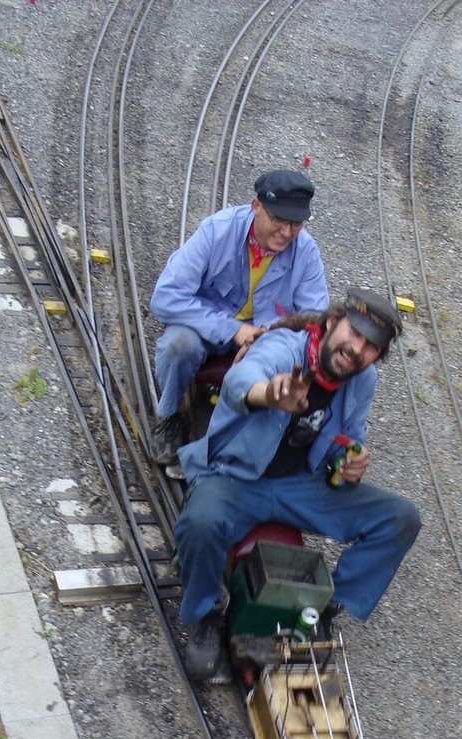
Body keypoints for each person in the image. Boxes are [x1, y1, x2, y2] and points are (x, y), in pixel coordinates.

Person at [174, 288, 422, 679]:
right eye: (353, 334)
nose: (356, 349)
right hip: (238, 478)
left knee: (401, 518)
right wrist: (269, 393)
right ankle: (205, 613)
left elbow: (348, 435)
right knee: (200, 522)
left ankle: (324, 607)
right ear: (329, 324)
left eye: (370, 346)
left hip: (300, 485)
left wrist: (348, 460)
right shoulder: (285, 350)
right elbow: (241, 381)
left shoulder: (361, 379)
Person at [148, 169, 329, 465]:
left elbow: (314, 319)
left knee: (310, 357)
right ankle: (171, 415)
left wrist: (267, 338)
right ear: (255, 206)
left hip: (265, 337)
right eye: (279, 220)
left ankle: (272, 429)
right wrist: (232, 330)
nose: (287, 233)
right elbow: (165, 296)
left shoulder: (306, 252)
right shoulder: (216, 231)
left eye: (295, 224)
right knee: (178, 345)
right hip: (204, 328)